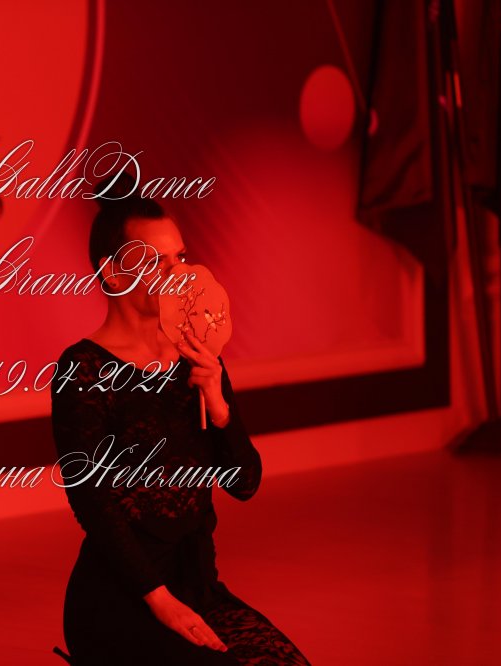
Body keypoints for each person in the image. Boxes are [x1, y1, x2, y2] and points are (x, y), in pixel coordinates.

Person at [51, 174, 310, 665]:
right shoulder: (82, 369)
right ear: (112, 273)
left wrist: (219, 404)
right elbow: (93, 505)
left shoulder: (197, 352)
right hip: (123, 597)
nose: (177, 273)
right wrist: (161, 601)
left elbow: (245, 483)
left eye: (181, 257)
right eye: (156, 261)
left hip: (199, 587)